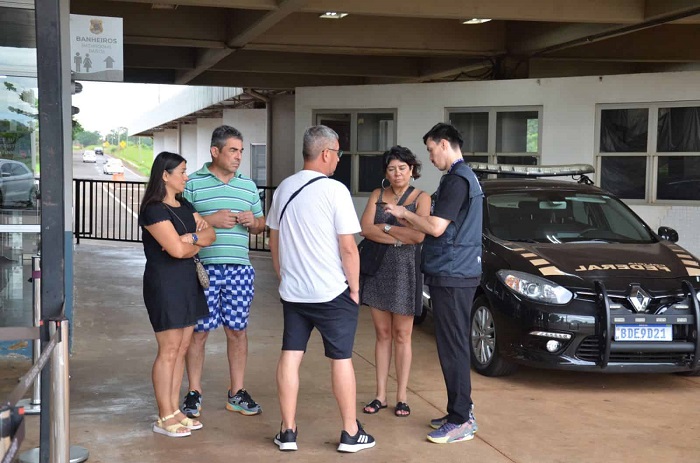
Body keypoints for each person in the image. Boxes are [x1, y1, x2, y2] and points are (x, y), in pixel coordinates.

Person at [267, 125, 375, 453]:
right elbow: (349, 248)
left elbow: (274, 239)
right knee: (341, 358)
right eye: (338, 153)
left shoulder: (284, 188)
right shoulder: (334, 190)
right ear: (326, 153)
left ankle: (287, 431)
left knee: (290, 356)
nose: (339, 160)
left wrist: (283, 275)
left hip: (294, 292)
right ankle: (351, 432)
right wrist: (355, 289)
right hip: (332, 292)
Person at [384, 122, 482, 444]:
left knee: (453, 347)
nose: (430, 156)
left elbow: (437, 228)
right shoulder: (463, 177)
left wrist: (403, 214)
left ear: (443, 144)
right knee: (451, 344)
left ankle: (461, 419)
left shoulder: (457, 180)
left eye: (430, 149)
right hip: (455, 272)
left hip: (454, 274)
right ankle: (458, 410)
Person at [181, 125, 266, 419]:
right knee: (199, 333)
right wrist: (211, 219)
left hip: (240, 269)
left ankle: (236, 393)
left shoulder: (248, 186)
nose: (239, 156)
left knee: (237, 331)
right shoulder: (192, 184)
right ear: (215, 151)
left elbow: (261, 224)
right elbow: (179, 225)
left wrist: (252, 221)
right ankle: (194, 392)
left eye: (241, 151)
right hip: (202, 268)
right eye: (233, 150)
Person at [138, 151, 216, 438]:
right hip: (165, 283)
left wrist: (191, 239)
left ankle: (175, 411)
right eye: (182, 171)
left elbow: (210, 235)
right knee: (169, 350)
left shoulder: (184, 203)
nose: (186, 176)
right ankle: (164, 415)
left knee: (182, 347)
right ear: (165, 175)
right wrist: (189, 244)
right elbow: (176, 250)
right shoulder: (153, 209)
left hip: (187, 281)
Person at [359, 146, 430, 418]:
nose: (397, 173)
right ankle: (380, 394)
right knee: (382, 334)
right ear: (385, 172)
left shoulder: (422, 198)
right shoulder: (377, 195)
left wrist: (384, 228)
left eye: (402, 168)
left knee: (403, 335)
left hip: (406, 270)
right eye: (391, 169)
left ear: (412, 169)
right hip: (378, 269)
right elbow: (365, 229)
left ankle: (402, 396)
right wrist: (398, 233)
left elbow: (419, 237)